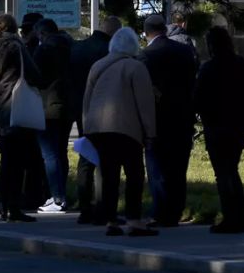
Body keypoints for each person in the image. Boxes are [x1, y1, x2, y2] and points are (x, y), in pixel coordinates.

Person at [83, 27, 158, 236]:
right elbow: (145, 103)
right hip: (127, 129)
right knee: (134, 174)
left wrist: (87, 127)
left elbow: (87, 101)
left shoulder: (97, 66)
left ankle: (110, 221)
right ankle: (135, 221)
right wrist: (150, 132)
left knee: (109, 176)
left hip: (98, 129)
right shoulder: (136, 67)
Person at [195, 26, 244, 233]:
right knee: (232, 169)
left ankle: (230, 217)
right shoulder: (240, 64)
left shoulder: (208, 68)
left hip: (216, 126)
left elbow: (198, 98)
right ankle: (239, 216)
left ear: (211, 45)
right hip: (237, 125)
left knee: (222, 173)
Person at [139, 14, 198, 227]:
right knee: (178, 166)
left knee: (157, 168)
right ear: (164, 29)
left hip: (157, 118)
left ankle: (160, 211)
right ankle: (175, 210)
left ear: (146, 33)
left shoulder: (146, 54)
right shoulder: (185, 51)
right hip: (183, 116)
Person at [0, 14, 40, 222]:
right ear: (14, 29)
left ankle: (5, 207)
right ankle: (14, 206)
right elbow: (34, 73)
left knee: (6, 158)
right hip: (17, 103)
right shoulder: (17, 47)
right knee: (18, 160)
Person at [70, 16, 121, 224]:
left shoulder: (79, 48)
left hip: (82, 108)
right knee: (106, 161)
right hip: (104, 110)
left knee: (86, 158)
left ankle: (84, 206)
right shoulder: (109, 51)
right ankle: (103, 206)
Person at [32, 19, 75, 213]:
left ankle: (57, 197)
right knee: (61, 152)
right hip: (68, 105)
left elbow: (36, 77)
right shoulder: (70, 46)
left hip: (47, 106)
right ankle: (62, 194)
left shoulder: (43, 50)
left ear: (42, 33)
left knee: (49, 154)